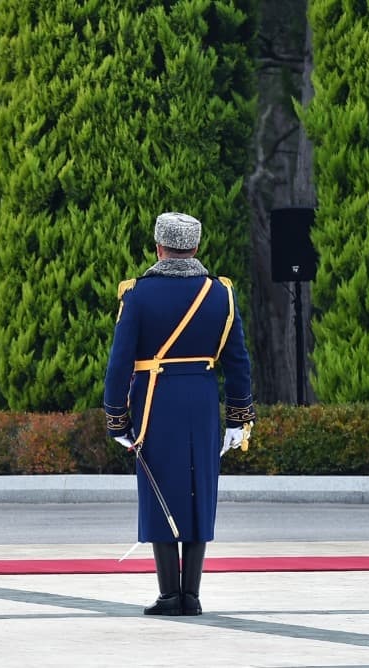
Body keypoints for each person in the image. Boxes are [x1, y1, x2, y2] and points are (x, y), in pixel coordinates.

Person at [104, 212, 255, 616]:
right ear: (196, 247)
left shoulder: (137, 294)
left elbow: (120, 362)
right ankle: (193, 594)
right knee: (198, 489)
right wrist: (239, 418)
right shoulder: (220, 293)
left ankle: (170, 594)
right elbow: (238, 362)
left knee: (161, 490)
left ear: (158, 247)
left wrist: (117, 416)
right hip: (203, 399)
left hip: (157, 400)